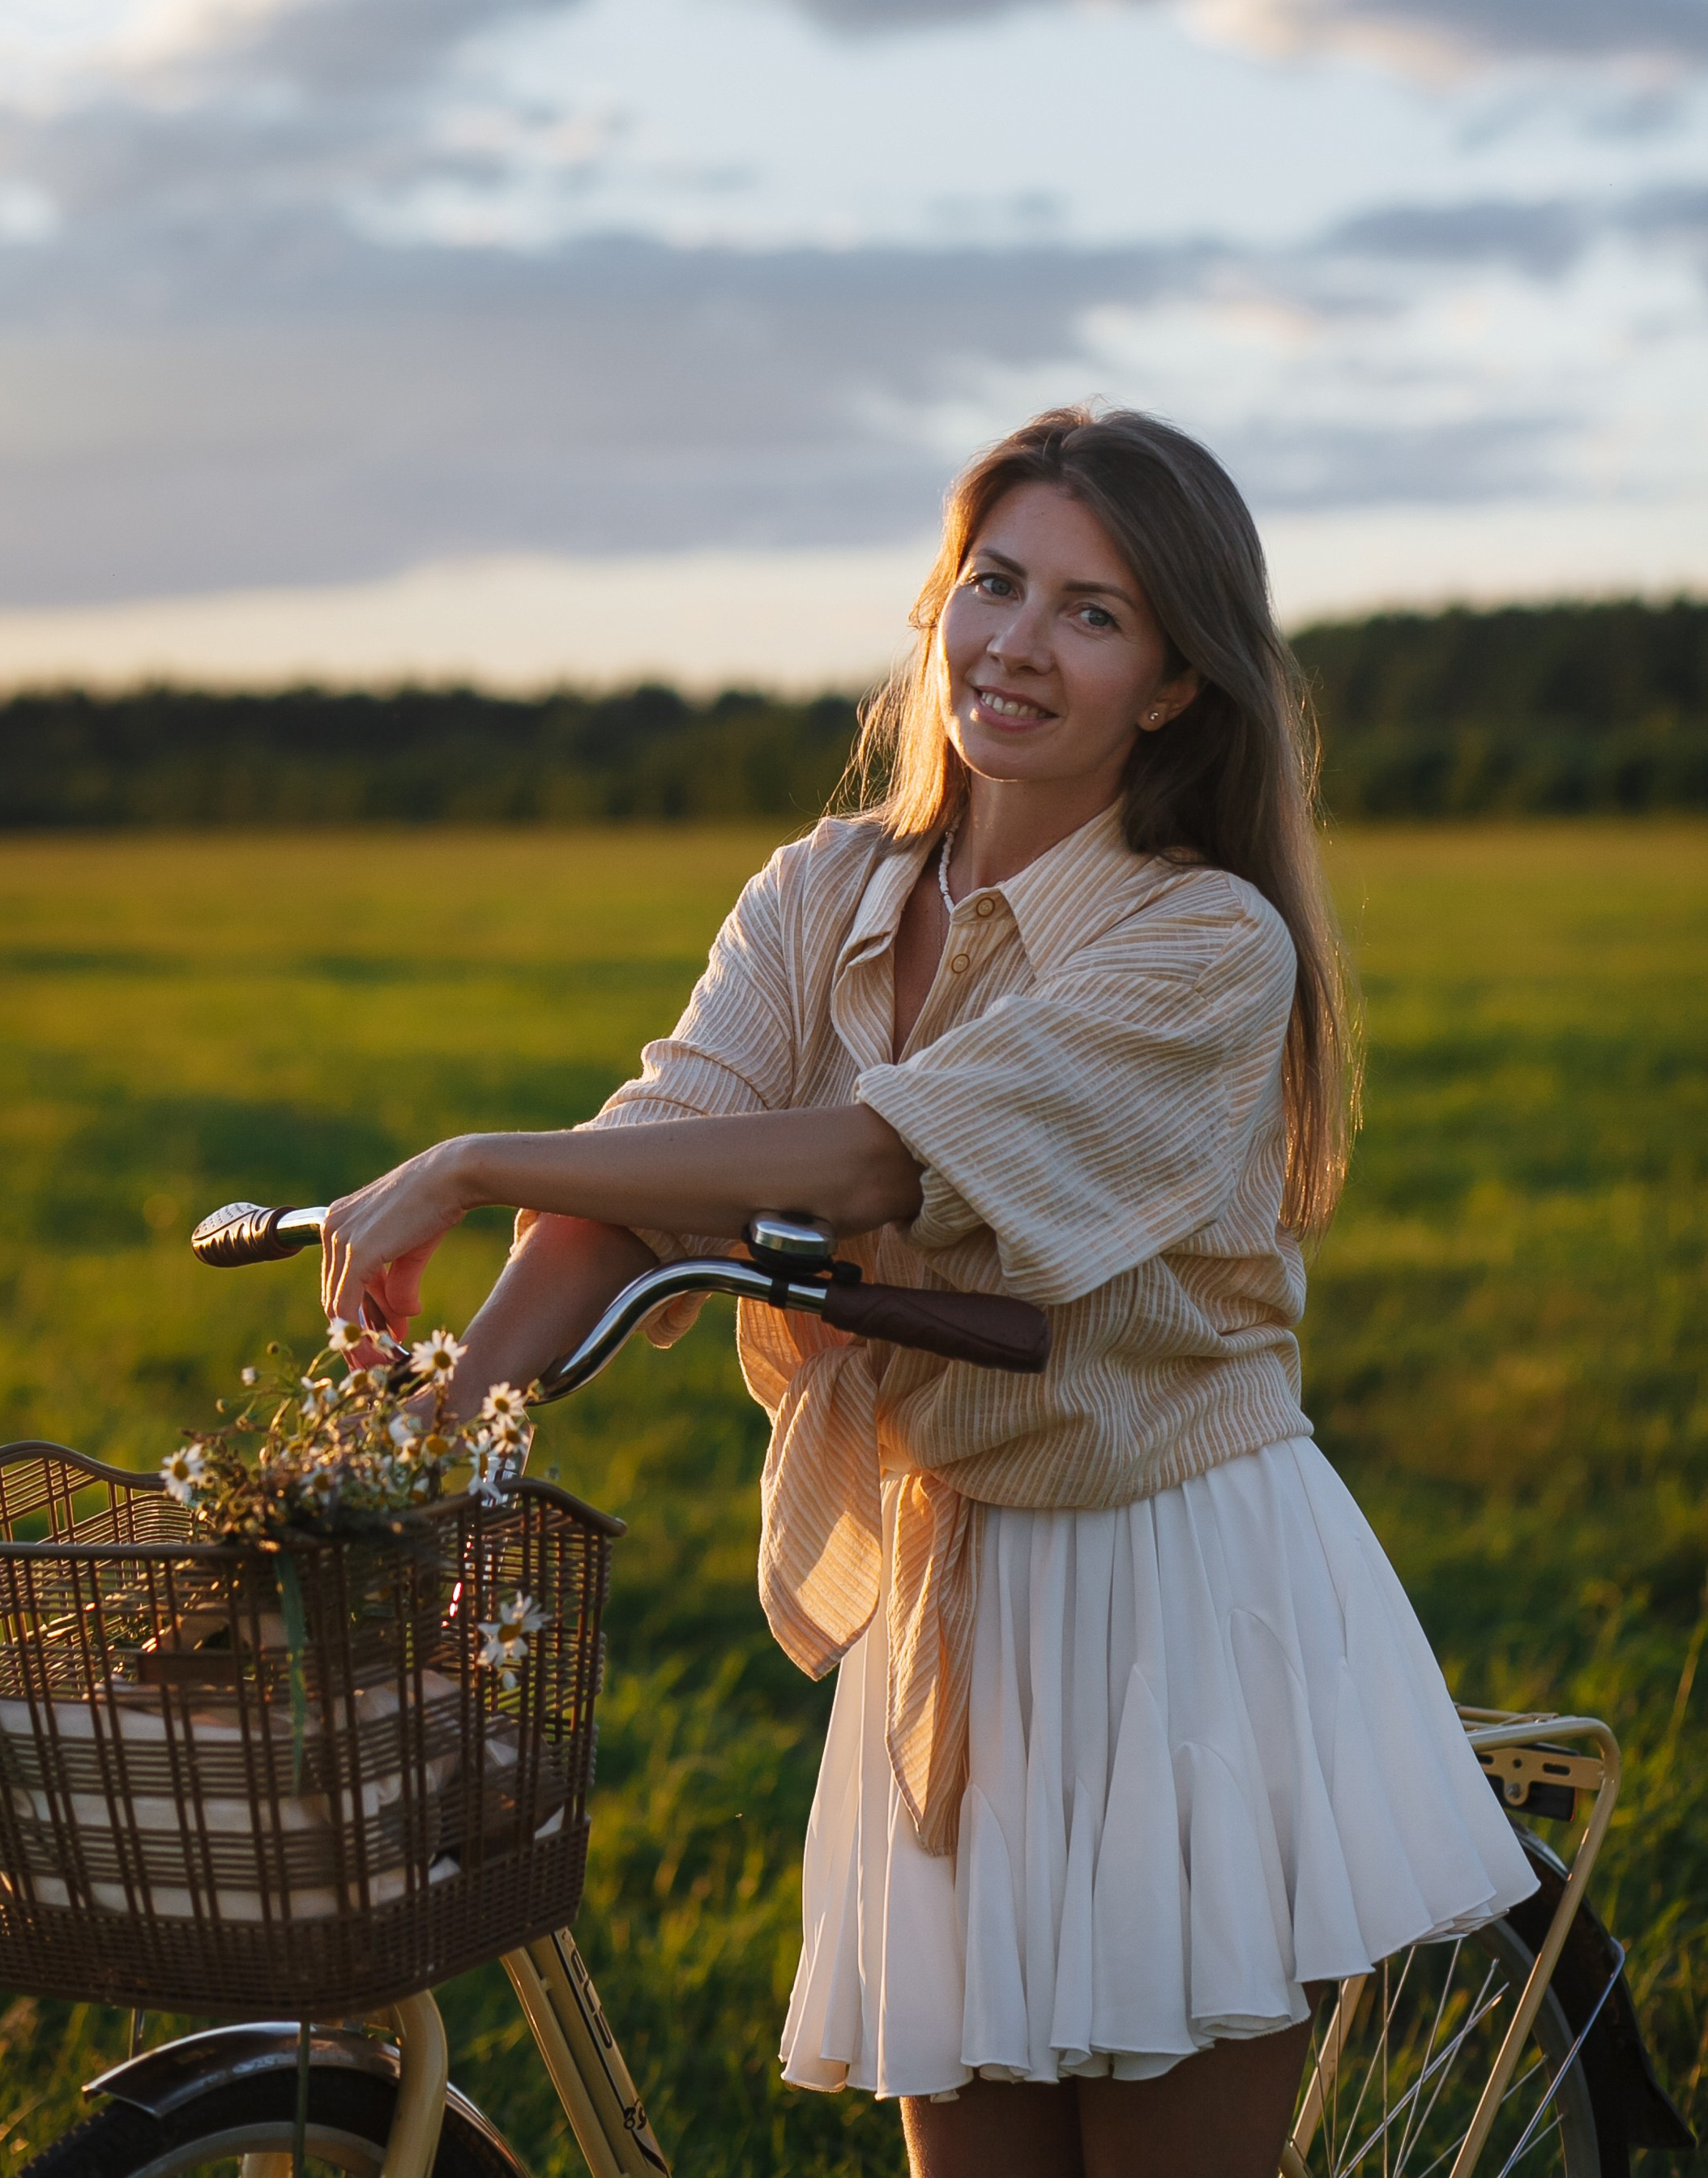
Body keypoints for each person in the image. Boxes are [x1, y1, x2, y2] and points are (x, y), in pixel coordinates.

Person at [321, 404, 1535, 2178]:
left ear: (1176, 684)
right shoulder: (824, 893)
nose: (1018, 644)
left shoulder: (1207, 941)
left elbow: (873, 1161)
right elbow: (665, 1153)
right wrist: (405, 1473)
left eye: (1092, 613)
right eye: (995, 583)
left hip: (1173, 1603)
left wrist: (476, 1158)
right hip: (945, 1600)